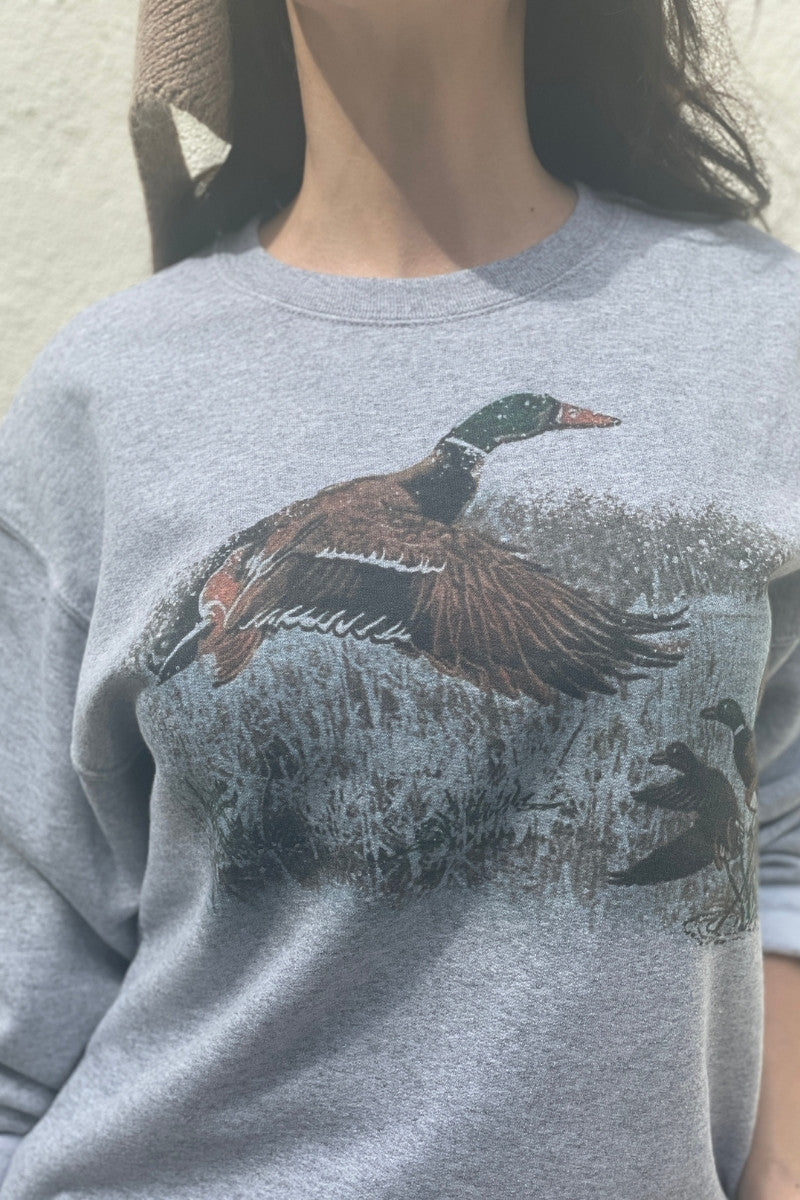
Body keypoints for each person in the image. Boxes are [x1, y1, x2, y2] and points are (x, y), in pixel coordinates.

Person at [0, 1, 798, 1197]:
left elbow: (774, 836)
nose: (565, 424)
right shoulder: (105, 390)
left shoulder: (758, 334)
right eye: (548, 418)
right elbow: (29, 970)